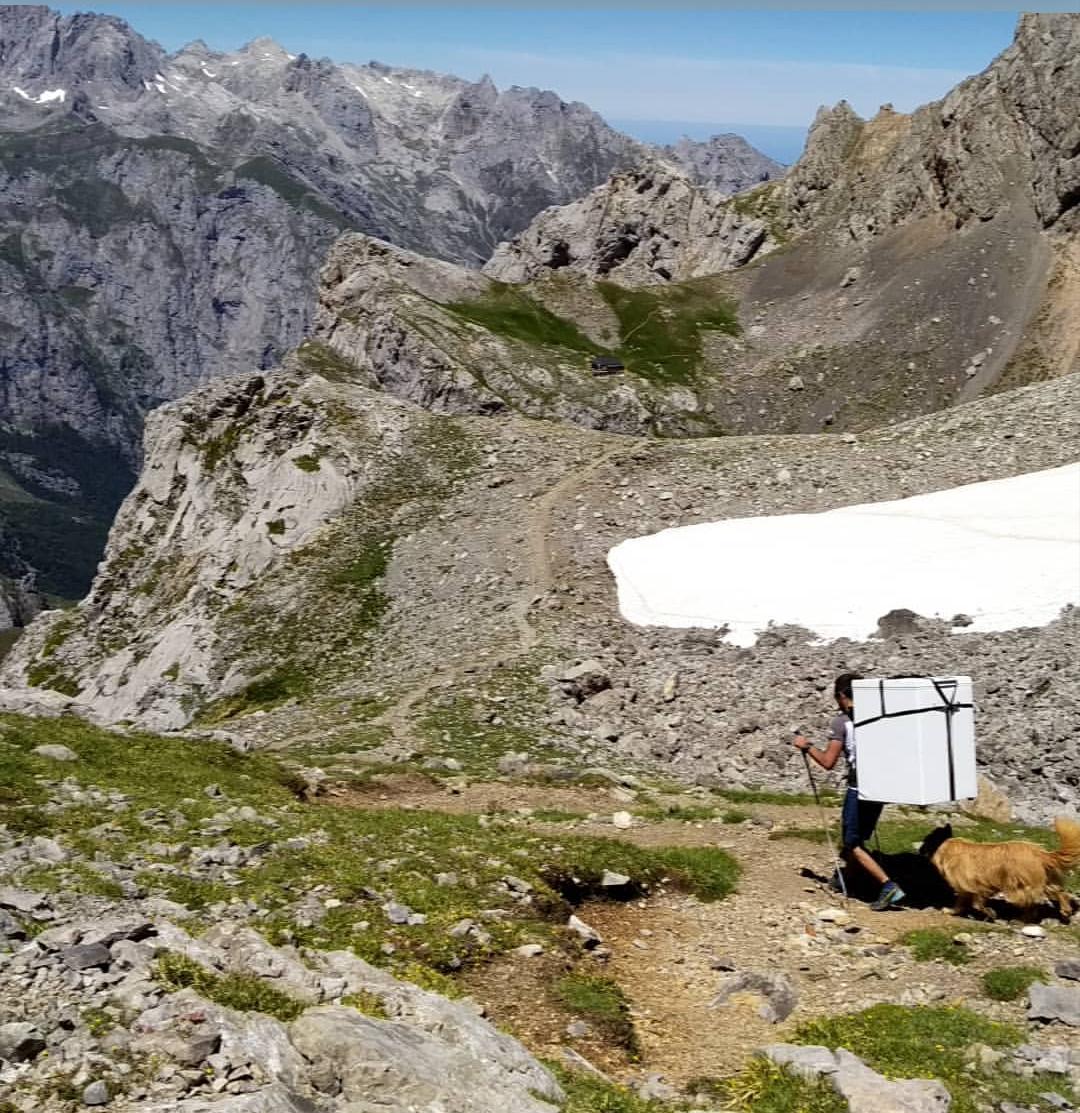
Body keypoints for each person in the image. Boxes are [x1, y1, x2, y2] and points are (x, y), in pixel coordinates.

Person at [793, 672, 905, 911]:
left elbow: (827, 762)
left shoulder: (842, 722)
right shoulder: (881, 717)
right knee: (858, 837)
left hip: (859, 787)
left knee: (852, 842)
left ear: (842, 695)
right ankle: (845, 880)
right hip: (881, 786)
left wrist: (807, 746)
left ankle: (888, 886)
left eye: (836, 697)